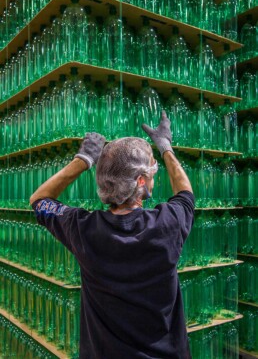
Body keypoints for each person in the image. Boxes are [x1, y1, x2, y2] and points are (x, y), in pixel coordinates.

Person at [30, 111, 194, 359]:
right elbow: (185, 193)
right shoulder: (167, 223)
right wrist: (166, 148)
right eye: (153, 170)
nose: (155, 176)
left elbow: (39, 200)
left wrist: (83, 159)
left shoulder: (82, 229)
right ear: (140, 181)